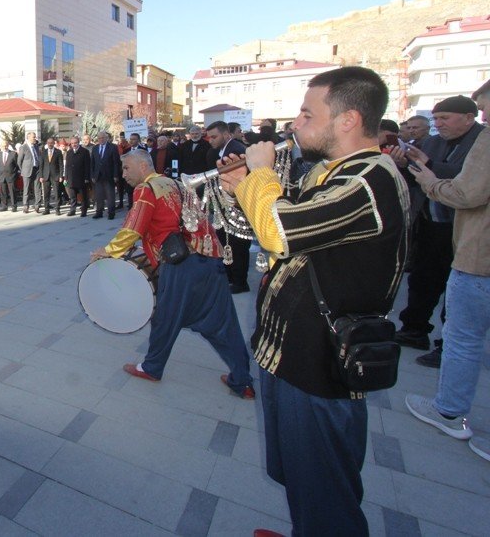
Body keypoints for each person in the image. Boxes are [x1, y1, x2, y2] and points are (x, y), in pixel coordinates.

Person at [220, 66, 408, 535]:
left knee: (327, 490)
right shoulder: (331, 172)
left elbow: (278, 232)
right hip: (291, 353)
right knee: (302, 475)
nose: (294, 124)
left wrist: (259, 175)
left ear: (347, 120)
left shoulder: (369, 182)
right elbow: (265, 230)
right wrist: (240, 187)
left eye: (307, 113)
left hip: (319, 363)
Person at [91, 149, 254, 396]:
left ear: (144, 167)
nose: (123, 174)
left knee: (165, 318)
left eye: (127, 168)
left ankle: (152, 367)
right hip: (210, 258)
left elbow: (133, 228)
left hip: (181, 264)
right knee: (224, 323)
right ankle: (243, 380)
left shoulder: (146, 188)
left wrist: (108, 251)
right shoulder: (176, 183)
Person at [403, 115, 490, 462]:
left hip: (478, 254)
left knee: (463, 338)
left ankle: (449, 412)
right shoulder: (439, 143)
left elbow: (468, 192)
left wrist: (430, 181)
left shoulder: (483, 139)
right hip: (456, 242)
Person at [393, 97, 483, 359]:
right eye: (436, 118)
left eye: (445, 117)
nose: (438, 124)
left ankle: (448, 344)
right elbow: (418, 177)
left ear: (469, 117)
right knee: (423, 278)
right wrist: (404, 166)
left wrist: (430, 166)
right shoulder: (432, 142)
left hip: (463, 227)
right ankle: (414, 329)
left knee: (455, 287)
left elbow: (467, 179)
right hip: (430, 221)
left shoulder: (480, 143)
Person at [205, 120, 251, 293]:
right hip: (226, 204)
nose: (211, 140)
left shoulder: (236, 151)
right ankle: (230, 277)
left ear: (226, 134)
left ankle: (240, 281)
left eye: (214, 137)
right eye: (209, 137)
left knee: (238, 245)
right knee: (226, 242)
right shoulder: (220, 151)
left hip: (237, 206)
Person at [89, 131, 120, 220]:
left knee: (110, 195)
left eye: (103, 138)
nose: (101, 140)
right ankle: (99, 212)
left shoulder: (113, 147)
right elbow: (92, 163)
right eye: (99, 138)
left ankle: (111, 213)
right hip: (98, 175)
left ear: (106, 138)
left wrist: (115, 175)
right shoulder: (95, 148)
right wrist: (93, 176)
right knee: (98, 195)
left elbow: (116, 163)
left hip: (109, 175)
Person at [64, 136, 90, 217]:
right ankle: (72, 210)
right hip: (71, 178)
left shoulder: (84, 151)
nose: (74, 144)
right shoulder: (69, 152)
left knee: (83, 196)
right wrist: (66, 177)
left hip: (81, 178)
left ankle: (84, 210)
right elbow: (67, 166)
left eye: (75, 143)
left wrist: (86, 177)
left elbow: (87, 166)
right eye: (72, 143)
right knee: (72, 196)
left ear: (78, 143)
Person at [17, 132, 42, 213]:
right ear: (28, 138)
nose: (35, 138)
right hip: (27, 171)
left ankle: (37, 205)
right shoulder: (23, 147)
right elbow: (19, 161)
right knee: (26, 189)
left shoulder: (36, 146)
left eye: (35, 137)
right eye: (33, 137)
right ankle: (25, 205)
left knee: (37, 188)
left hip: (37, 170)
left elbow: (38, 157)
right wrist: (23, 170)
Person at [38, 136, 63, 215]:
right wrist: (41, 176)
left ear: (54, 143)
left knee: (57, 193)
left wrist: (61, 176)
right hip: (45, 176)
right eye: (48, 143)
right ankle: (46, 209)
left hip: (55, 175)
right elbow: (41, 165)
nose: (50, 144)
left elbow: (61, 165)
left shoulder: (58, 152)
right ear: (47, 143)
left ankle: (57, 209)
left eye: (51, 143)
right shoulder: (43, 152)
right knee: (46, 193)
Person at [0, 139, 18, 212]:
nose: (4, 147)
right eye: (3, 146)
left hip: (11, 176)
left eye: (6, 145)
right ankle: (4, 206)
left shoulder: (13, 154)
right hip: (2, 176)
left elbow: (17, 165)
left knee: (12, 192)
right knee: (3, 192)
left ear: (8, 146)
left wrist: (14, 174)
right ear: (1, 146)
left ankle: (14, 206)